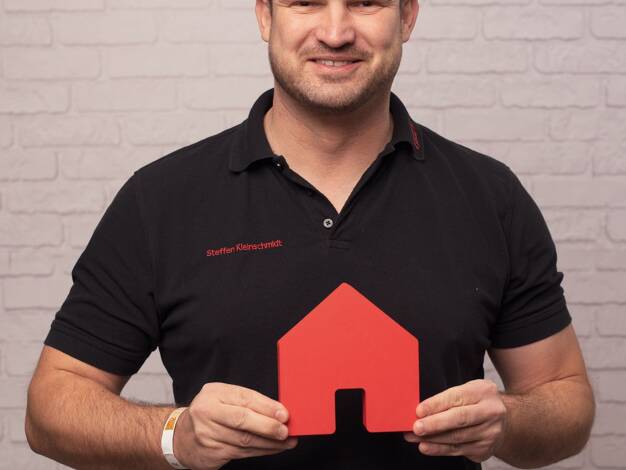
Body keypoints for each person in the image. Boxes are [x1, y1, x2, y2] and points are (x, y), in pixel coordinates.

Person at [25, 1, 595, 469]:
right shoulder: (161, 200)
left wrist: (506, 422)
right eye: (306, 3)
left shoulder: (489, 196)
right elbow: (50, 410)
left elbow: (567, 402)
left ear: (407, 16)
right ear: (265, 16)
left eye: (366, 3)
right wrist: (179, 435)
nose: (336, 31)